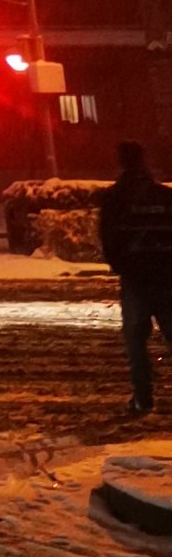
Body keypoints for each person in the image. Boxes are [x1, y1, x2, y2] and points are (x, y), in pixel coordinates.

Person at [99, 141, 172, 415]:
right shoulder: (163, 196)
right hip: (166, 276)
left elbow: (109, 240)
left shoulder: (115, 198)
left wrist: (122, 265)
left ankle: (143, 398)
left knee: (136, 341)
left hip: (136, 279)